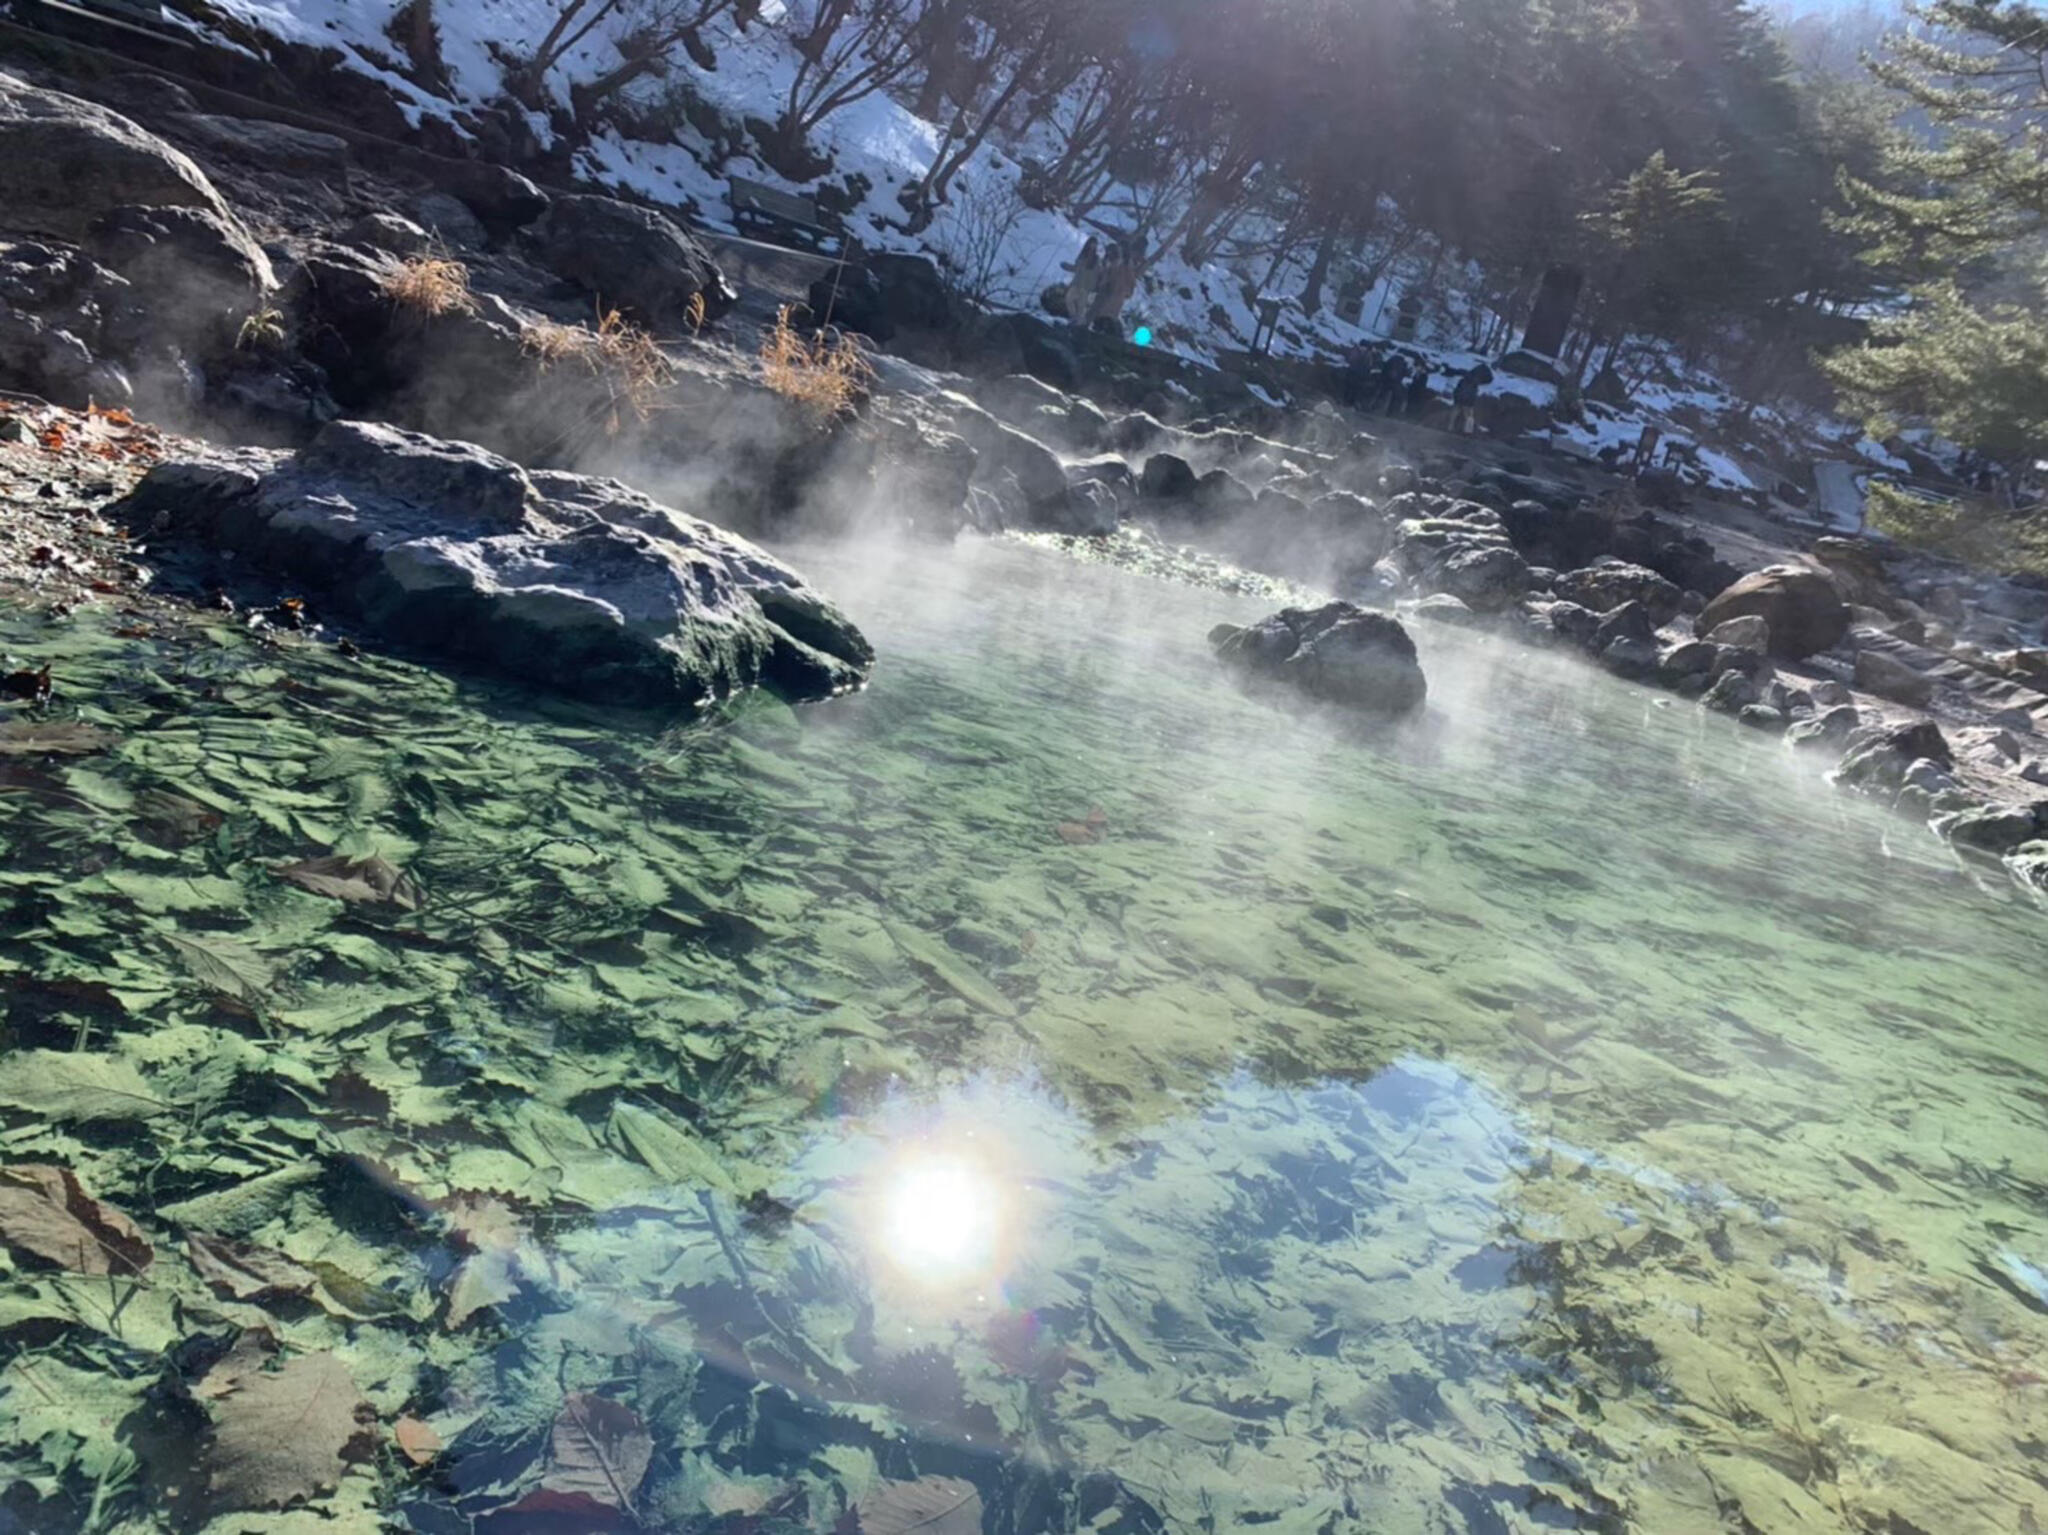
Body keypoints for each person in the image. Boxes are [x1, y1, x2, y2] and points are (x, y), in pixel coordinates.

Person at [1063, 237, 1101, 327]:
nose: (1092, 246)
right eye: (1091, 243)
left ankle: (1079, 325)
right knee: (1069, 299)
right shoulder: (1082, 255)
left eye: (1094, 244)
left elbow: (1097, 273)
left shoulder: (1096, 259)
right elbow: (1076, 268)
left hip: (1086, 286)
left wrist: (1095, 286)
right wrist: (1067, 267)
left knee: (1081, 307)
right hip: (1077, 283)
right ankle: (1073, 318)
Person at [1451, 360, 1493, 434]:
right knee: (1468, 416)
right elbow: (1468, 393)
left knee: (1456, 413)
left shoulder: (1467, 379)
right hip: (1466, 401)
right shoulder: (1472, 382)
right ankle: (1467, 431)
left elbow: (1459, 390)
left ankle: (1452, 427)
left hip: (1461, 399)